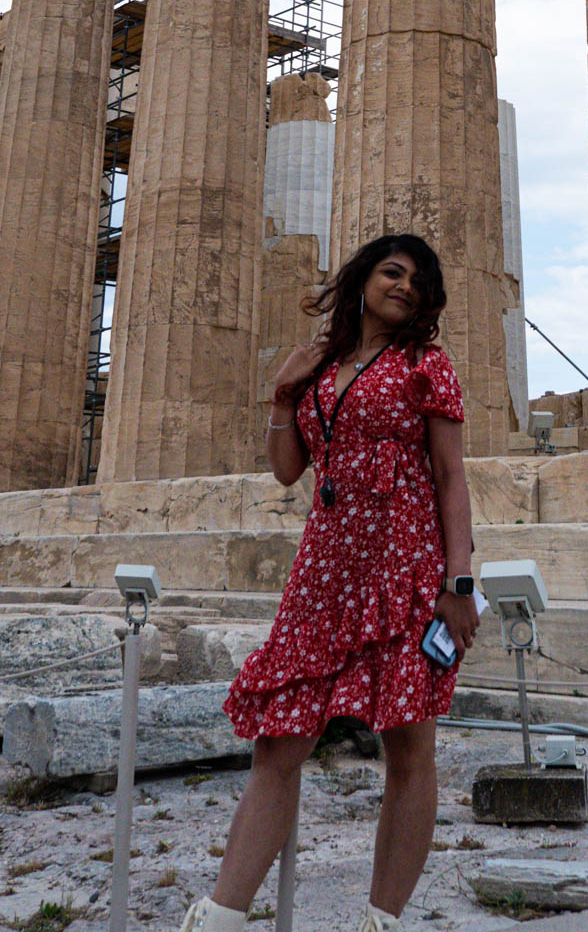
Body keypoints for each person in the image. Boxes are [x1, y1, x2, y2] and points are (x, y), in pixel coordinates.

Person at [178, 233, 481, 932]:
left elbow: (451, 476)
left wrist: (459, 581)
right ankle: (221, 915)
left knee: (408, 745)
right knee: (278, 742)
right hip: (323, 572)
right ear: (362, 279)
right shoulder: (320, 368)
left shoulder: (425, 365)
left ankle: (382, 921)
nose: (403, 286)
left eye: (417, 281)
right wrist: (284, 393)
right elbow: (288, 469)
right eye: (391, 272)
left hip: (404, 568)